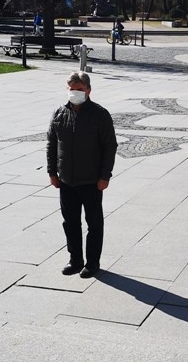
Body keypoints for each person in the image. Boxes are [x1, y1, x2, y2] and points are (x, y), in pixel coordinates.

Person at [47, 71, 118, 279]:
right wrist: (52, 172)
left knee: (94, 223)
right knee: (70, 222)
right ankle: (75, 260)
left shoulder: (100, 114)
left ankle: (92, 262)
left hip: (91, 180)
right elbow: (52, 144)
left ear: (88, 90)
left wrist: (105, 176)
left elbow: (110, 146)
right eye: (72, 89)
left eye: (79, 89)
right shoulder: (59, 113)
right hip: (66, 180)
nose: (75, 93)